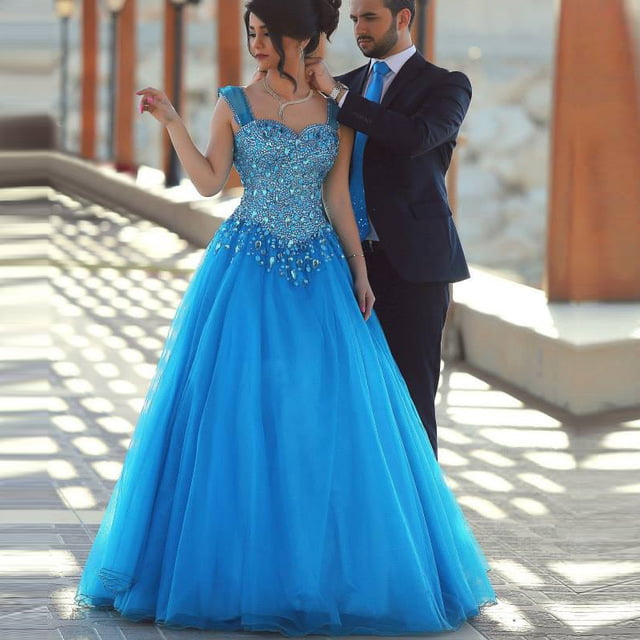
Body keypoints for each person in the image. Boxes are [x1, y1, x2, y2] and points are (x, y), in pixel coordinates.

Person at [74, 0, 495, 633]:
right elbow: (212, 182)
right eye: (251, 33)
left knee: (335, 412)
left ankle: (363, 556)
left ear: (301, 37)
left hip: (323, 271)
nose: (258, 44)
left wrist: (357, 269)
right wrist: (169, 122)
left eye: (267, 33)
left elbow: (337, 195)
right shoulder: (235, 101)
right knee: (237, 411)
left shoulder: (342, 103)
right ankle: (240, 563)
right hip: (244, 272)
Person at [306, 0, 472, 457]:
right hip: (344, 265)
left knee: (412, 401)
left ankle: (420, 522)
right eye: (355, 20)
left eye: (370, 18)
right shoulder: (343, 87)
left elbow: (415, 136)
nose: (359, 29)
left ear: (403, 18)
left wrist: (340, 100)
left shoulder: (446, 86)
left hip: (414, 270)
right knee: (345, 399)